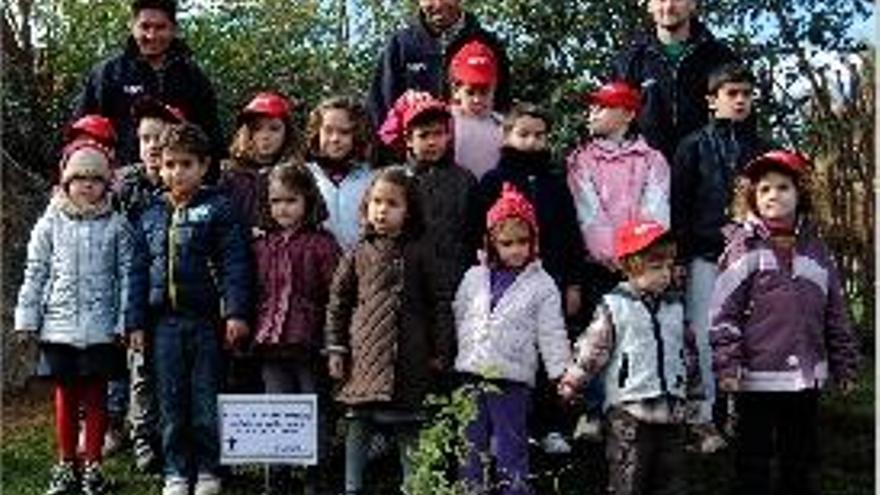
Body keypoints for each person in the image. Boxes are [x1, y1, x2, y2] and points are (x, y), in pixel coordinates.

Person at [709, 150, 860, 495]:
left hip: (805, 378)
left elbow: (835, 313)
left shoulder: (818, 251)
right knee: (753, 458)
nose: (773, 195)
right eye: (764, 189)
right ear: (752, 197)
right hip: (756, 376)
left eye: (783, 187)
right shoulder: (742, 248)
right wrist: (727, 365)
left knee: (800, 456)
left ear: (801, 193)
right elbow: (723, 313)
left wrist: (845, 364)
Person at [129, 123, 251, 495]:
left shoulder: (219, 209)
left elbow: (236, 264)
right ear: (159, 168)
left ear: (204, 166)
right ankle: (176, 471)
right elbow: (135, 271)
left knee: (205, 398)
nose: (177, 172)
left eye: (186, 164)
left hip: (206, 323)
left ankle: (210, 468)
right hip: (162, 324)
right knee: (170, 399)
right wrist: (134, 322)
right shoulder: (148, 213)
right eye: (169, 164)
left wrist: (236, 312)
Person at [14, 143, 137, 495]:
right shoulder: (49, 223)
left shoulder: (118, 226)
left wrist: (123, 323)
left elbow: (128, 277)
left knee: (97, 398)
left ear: (107, 184)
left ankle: (93, 467)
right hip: (59, 328)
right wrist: (27, 318)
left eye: (95, 179)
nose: (87, 185)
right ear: (66, 182)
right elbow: (35, 271)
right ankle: (66, 464)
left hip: (101, 330)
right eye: (79, 178)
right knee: (66, 398)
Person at [325, 167, 454, 495]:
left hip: (409, 355)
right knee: (358, 422)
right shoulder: (357, 252)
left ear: (409, 210)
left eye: (393, 203)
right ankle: (352, 486)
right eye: (376, 202)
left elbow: (440, 302)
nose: (382, 210)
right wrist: (336, 348)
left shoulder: (422, 251)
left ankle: (415, 485)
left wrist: (441, 350)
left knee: (408, 425)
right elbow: (338, 302)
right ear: (366, 206)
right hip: (363, 355)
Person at [559, 219, 701, 495]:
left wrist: (695, 395)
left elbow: (689, 354)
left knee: (672, 480)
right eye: (655, 267)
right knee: (628, 476)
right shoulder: (615, 306)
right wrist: (573, 381)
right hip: (629, 411)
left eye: (669, 267)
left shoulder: (674, 306)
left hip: (671, 410)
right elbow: (593, 348)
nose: (665, 275)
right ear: (630, 268)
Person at [671, 62, 771, 452]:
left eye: (746, 93)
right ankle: (701, 419)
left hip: (754, 257)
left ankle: (742, 415)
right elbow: (679, 204)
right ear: (712, 101)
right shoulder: (692, 145)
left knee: (751, 334)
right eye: (732, 94)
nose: (741, 100)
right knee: (702, 336)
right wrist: (679, 254)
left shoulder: (763, 150)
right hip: (704, 255)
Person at [566, 80, 670, 440]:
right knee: (597, 337)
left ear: (627, 113)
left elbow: (655, 208)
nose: (591, 112)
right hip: (601, 266)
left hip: (641, 266)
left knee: (638, 338)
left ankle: (636, 410)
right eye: (591, 106)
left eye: (601, 106)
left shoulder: (652, 160)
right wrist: (612, 255)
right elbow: (587, 212)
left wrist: (639, 256)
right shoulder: (581, 159)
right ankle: (594, 411)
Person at [477, 103, 583, 453]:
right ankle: (511, 426)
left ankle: (550, 425)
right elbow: (477, 235)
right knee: (511, 355)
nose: (532, 141)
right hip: (505, 285)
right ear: (507, 135)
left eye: (539, 135)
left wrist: (573, 283)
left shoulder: (555, 183)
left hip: (549, 281)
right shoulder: (493, 181)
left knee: (551, 352)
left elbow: (570, 236)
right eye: (524, 134)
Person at [454, 183, 571, 495]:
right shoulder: (473, 277)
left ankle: (515, 489)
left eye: (523, 241)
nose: (516, 249)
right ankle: (470, 488)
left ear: (534, 240)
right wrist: (452, 352)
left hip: (512, 377)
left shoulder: (542, 283)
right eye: (507, 243)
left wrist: (561, 372)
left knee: (511, 442)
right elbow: (459, 315)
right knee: (470, 439)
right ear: (492, 243)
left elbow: (552, 331)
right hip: (472, 373)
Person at [253, 163, 341, 495]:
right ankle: (277, 472)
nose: (283, 208)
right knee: (276, 406)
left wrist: (334, 342)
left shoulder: (323, 244)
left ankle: (315, 471)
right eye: (276, 201)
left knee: (312, 406)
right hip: (271, 341)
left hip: (309, 341)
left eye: (291, 200)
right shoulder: (262, 245)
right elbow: (256, 291)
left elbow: (336, 296)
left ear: (307, 200)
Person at [72, 0, 222, 174]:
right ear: (132, 26)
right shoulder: (107, 73)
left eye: (160, 27)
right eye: (145, 26)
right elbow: (82, 131)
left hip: (178, 182)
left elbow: (211, 136)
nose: (151, 35)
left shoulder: (193, 77)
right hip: (120, 181)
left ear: (173, 29)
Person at [610, 0, 739, 161]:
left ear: (692, 4)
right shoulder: (629, 60)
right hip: (646, 174)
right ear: (649, 6)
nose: (668, 6)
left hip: (705, 173)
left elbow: (739, 121)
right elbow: (613, 124)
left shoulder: (720, 58)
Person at [382, 92, 480, 288]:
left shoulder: (465, 180)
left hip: (455, 277)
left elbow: (474, 232)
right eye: (424, 135)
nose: (432, 142)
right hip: (407, 280)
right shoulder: (396, 180)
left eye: (438, 133)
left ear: (448, 135)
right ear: (409, 139)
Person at [366, 0, 510, 129]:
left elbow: (502, 104)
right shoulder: (400, 44)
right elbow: (379, 107)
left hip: (474, 152)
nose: (438, 4)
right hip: (412, 156)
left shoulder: (489, 44)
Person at [219, 92, 300, 236]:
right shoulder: (229, 174)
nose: (265, 136)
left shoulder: (297, 173)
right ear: (247, 133)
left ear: (287, 133)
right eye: (257, 128)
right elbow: (219, 219)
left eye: (274, 128)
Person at [303, 96, 376, 251]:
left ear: (357, 134)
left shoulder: (372, 177)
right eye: (328, 130)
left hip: (362, 268)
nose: (335, 139)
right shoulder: (303, 175)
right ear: (317, 131)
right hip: (314, 268)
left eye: (344, 132)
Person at [448, 39, 504, 180]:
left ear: (494, 88)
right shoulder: (446, 120)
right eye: (470, 92)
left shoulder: (503, 124)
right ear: (456, 90)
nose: (477, 99)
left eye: (484, 92)